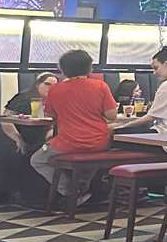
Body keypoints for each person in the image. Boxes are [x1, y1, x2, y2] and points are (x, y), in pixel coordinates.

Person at [31, 49, 119, 206]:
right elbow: (112, 116)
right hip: (100, 142)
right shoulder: (101, 86)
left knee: (38, 160)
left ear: (63, 70)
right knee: (89, 161)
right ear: (89, 68)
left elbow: (52, 116)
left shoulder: (55, 90)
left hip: (68, 143)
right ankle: (82, 191)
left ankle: (71, 192)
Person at [114, 47, 167, 155]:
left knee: (115, 136)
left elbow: (150, 118)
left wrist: (119, 126)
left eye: (156, 68)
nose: (154, 73)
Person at [0, 72, 57, 157]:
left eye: (55, 86)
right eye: (47, 84)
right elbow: (5, 120)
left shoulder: (55, 100)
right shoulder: (23, 97)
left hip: (42, 138)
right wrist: (18, 139)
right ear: (37, 84)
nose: (50, 88)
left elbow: (52, 124)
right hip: (21, 136)